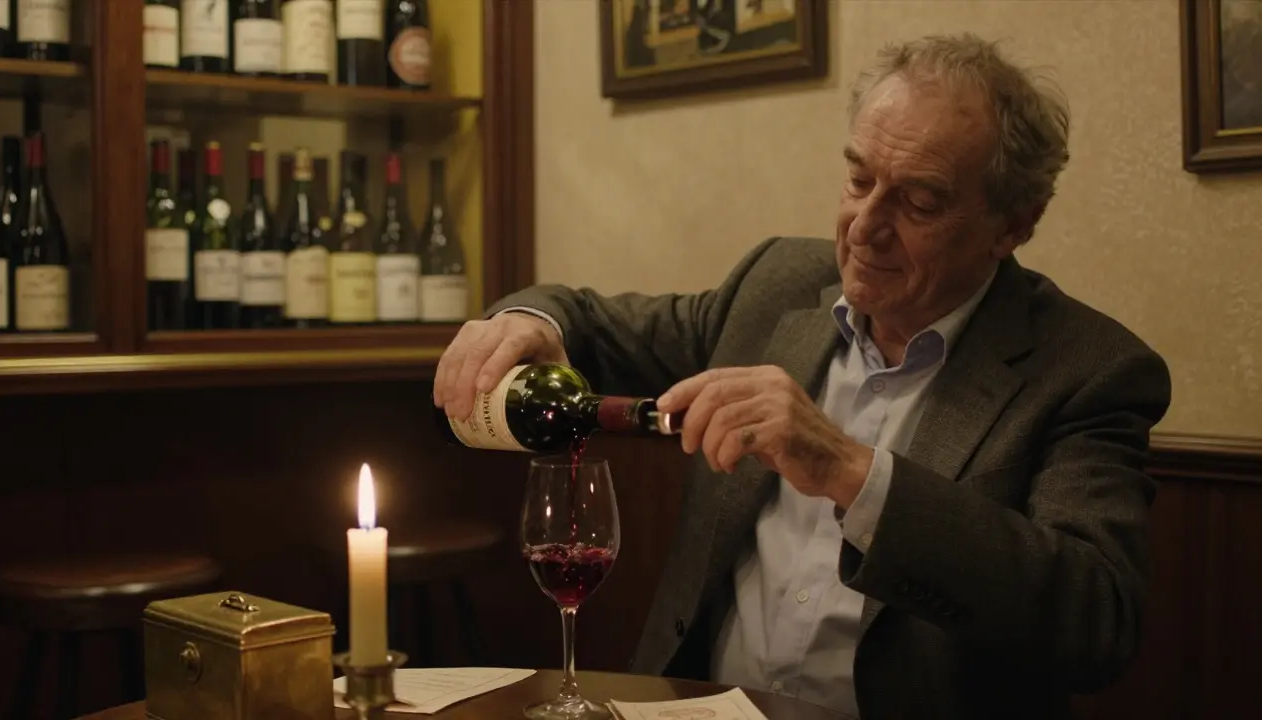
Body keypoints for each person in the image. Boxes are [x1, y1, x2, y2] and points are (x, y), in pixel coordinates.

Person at [433, 32, 1171, 720]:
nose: (865, 226)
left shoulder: (1087, 371)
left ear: (1014, 224)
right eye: (858, 179)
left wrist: (850, 470)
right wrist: (527, 320)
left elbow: (1094, 622)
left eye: (919, 202)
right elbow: (586, 320)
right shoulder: (776, 284)